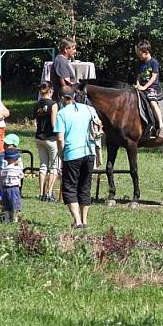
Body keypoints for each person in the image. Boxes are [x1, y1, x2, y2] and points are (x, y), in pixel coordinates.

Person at [55, 85, 100, 229]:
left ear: (62, 98)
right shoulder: (89, 109)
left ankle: (77, 221)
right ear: (73, 96)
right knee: (85, 186)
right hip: (89, 152)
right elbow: (99, 126)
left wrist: (62, 155)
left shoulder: (61, 114)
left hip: (72, 153)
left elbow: (60, 138)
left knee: (69, 187)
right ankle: (85, 220)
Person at [134, 40, 163, 138]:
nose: (138, 55)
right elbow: (139, 76)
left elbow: (153, 77)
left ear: (145, 52)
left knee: (152, 102)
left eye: (139, 53)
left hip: (152, 87)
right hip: (142, 87)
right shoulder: (141, 63)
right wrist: (138, 85)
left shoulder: (153, 62)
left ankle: (161, 125)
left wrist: (144, 87)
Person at [33, 82, 59, 202]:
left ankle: (41, 193)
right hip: (51, 138)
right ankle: (49, 193)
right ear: (51, 91)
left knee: (43, 165)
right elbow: (54, 124)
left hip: (39, 137)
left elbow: (35, 121)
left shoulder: (37, 105)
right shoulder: (53, 104)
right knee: (54, 166)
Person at [0, 135, 24, 223]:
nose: (5, 145)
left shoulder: (14, 158)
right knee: (6, 200)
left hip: (6, 183)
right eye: (5, 143)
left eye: (8, 144)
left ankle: (8, 217)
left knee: (9, 202)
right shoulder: (2, 155)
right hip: (8, 185)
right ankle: (8, 216)